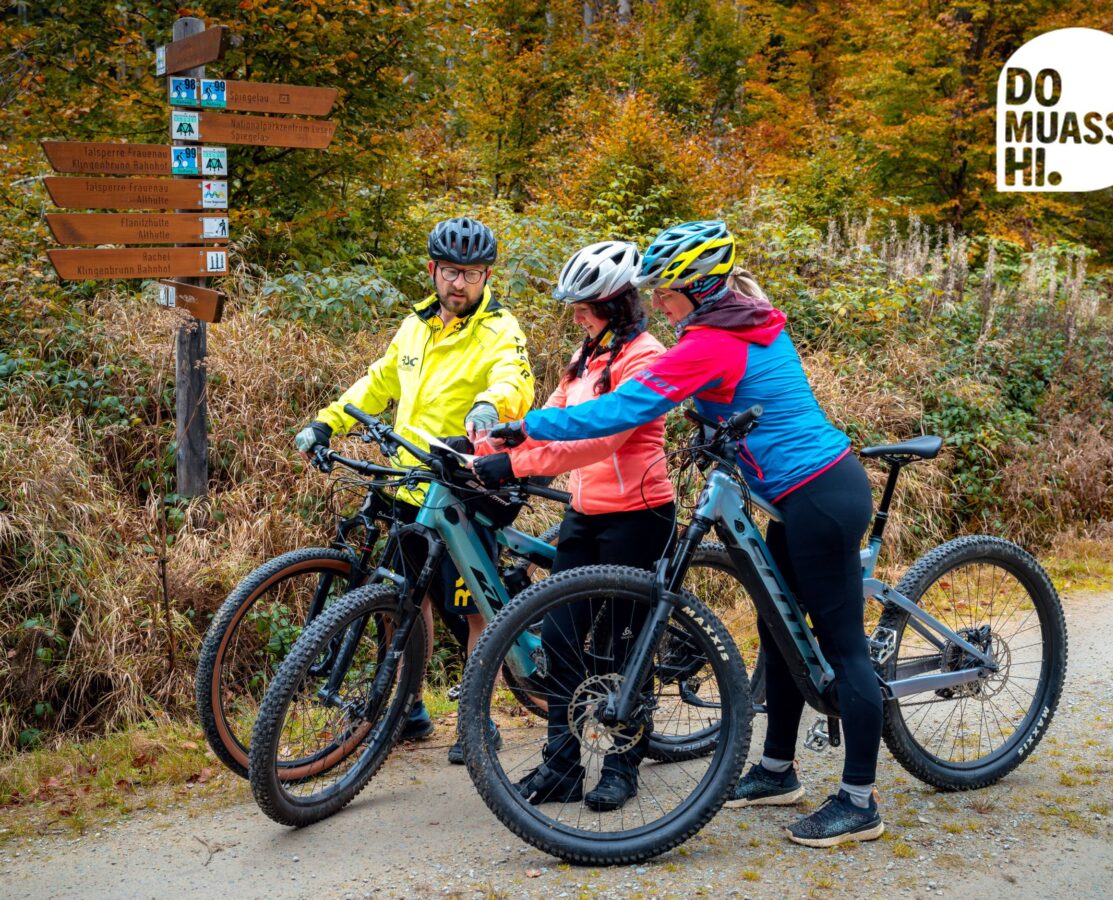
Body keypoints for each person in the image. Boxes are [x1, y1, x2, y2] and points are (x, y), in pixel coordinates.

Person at [491, 221, 883, 847]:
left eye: (667, 291)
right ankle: (779, 770)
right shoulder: (734, 323)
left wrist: (528, 428)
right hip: (787, 498)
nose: (660, 304)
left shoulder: (713, 341)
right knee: (780, 631)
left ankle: (860, 801)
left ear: (699, 288)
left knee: (842, 648)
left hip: (821, 496)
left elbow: (627, 407)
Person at [295, 216, 535, 763]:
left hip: (462, 487)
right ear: (432, 270)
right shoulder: (415, 325)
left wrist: (490, 406)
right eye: (451, 272)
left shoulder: (501, 328)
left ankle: (476, 720)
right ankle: (410, 707)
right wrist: (329, 422)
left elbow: (515, 379)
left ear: (486, 276)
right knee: (405, 601)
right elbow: (379, 381)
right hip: (408, 484)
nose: (460, 285)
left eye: (472, 275)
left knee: (474, 608)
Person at [472, 240, 675, 812]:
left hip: (640, 516)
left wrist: (512, 465)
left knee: (624, 647)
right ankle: (562, 766)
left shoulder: (646, 355)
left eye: (586, 305)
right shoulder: (586, 354)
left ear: (618, 302)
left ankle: (621, 765)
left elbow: (599, 440)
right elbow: (552, 420)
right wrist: (486, 444)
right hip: (584, 516)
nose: (577, 314)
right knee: (560, 640)